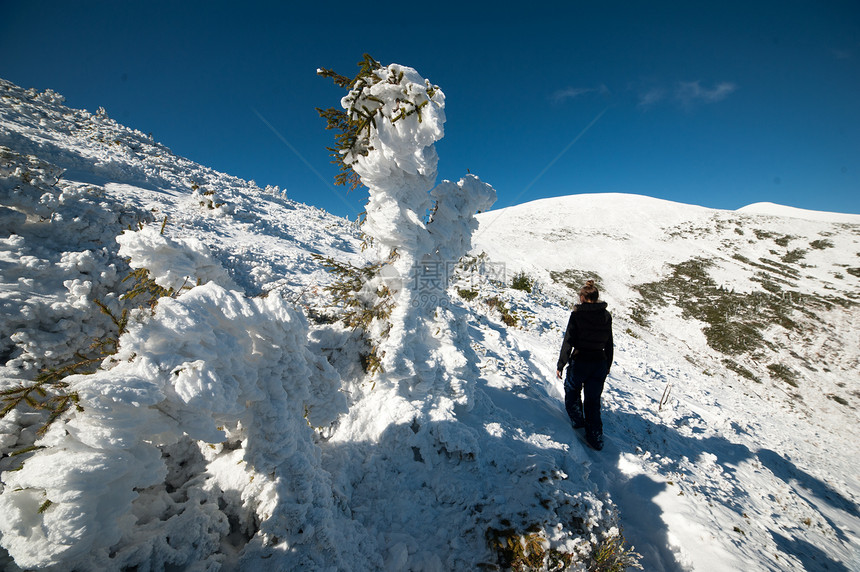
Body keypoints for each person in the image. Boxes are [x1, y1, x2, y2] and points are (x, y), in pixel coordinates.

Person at [556, 280, 614, 450]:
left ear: (582, 297)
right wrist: (608, 364)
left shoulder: (577, 315)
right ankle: (595, 438)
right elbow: (609, 343)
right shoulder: (606, 315)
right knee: (593, 401)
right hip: (599, 363)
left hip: (580, 361)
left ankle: (577, 419)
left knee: (572, 389)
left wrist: (561, 364)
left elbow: (568, 341)